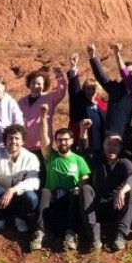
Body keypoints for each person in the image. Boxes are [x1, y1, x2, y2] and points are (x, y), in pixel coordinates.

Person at [35, 105, 92, 251]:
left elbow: (84, 180)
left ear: (72, 141)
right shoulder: (51, 156)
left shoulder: (79, 160)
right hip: (54, 199)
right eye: (59, 140)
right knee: (45, 191)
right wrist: (43, 118)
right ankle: (40, 233)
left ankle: (70, 234)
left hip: (71, 200)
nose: (63, 143)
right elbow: (43, 138)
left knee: (76, 192)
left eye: (66, 140)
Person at [0, 123, 41, 241]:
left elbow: (33, 181)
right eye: (10, 138)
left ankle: (20, 218)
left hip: (19, 197)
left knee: (32, 198)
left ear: (23, 141)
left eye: (17, 138)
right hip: (0, 196)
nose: (13, 141)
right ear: (5, 140)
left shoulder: (31, 158)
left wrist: (13, 190)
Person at [86, 134, 132, 252]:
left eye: (115, 145)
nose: (111, 148)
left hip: (117, 206)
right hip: (97, 207)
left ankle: (120, 234)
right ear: (103, 146)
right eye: (108, 144)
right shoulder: (96, 160)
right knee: (85, 189)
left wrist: (122, 191)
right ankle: (94, 235)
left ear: (120, 148)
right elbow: (84, 150)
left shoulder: (124, 162)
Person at [88, 43, 132, 137]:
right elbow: (101, 76)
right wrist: (92, 56)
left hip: (130, 138)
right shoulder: (115, 88)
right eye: (127, 72)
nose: (129, 75)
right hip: (110, 137)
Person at [66, 53, 106, 155]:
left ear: (98, 91)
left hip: (100, 148)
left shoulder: (102, 106)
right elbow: (74, 88)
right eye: (88, 88)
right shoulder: (79, 103)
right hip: (81, 147)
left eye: (93, 89)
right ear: (84, 90)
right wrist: (73, 68)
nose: (90, 91)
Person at [18, 67, 67, 149]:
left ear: (44, 86)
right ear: (29, 83)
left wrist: (60, 78)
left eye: (39, 84)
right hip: (24, 146)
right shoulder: (22, 101)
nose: (35, 86)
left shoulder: (49, 98)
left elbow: (61, 92)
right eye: (33, 83)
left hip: (42, 145)